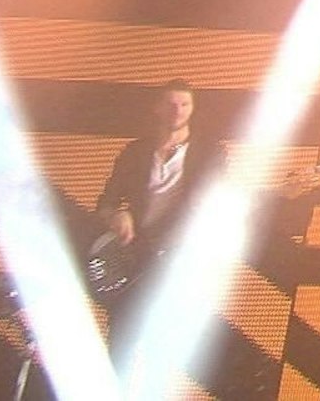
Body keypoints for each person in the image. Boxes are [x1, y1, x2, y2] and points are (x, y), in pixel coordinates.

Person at [93, 79, 224, 358]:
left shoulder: (209, 154)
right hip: (134, 261)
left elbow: (222, 200)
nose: (178, 110)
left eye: (185, 104)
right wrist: (117, 214)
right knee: (121, 343)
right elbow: (105, 204)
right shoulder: (135, 153)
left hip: (178, 262)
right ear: (157, 108)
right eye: (171, 104)